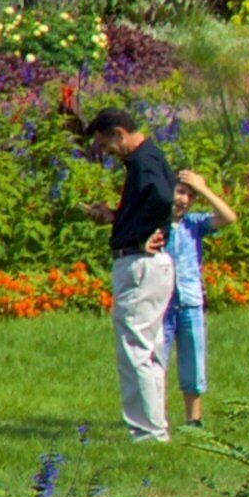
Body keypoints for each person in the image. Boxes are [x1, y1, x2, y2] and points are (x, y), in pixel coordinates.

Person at [72, 108, 193, 444]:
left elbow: (162, 197)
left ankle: (146, 432)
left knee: (135, 350)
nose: (107, 151)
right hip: (151, 265)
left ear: (119, 134)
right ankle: (155, 429)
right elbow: (153, 200)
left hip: (140, 264)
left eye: (106, 144)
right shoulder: (149, 158)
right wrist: (116, 216)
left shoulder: (143, 162)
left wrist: (144, 234)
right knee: (149, 350)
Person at [162, 169, 240, 426]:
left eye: (190, 195)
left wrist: (205, 190)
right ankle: (154, 418)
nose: (183, 199)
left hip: (190, 304)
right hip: (161, 305)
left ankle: (193, 420)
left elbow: (229, 217)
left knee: (193, 363)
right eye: (180, 191)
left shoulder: (194, 224)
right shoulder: (154, 222)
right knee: (155, 363)